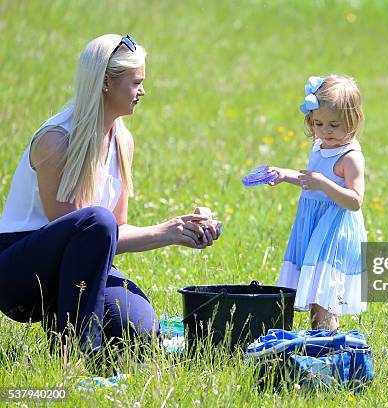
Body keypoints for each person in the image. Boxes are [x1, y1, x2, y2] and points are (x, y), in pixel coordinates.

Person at [0, 34, 219, 354]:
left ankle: (83, 337)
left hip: (84, 266)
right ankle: (76, 350)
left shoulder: (122, 140)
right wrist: (163, 232)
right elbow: (80, 233)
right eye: (136, 82)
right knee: (95, 220)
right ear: (106, 83)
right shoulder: (56, 139)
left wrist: (178, 231)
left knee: (141, 331)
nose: (143, 91)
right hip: (20, 274)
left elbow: (115, 229)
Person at [268, 74, 367, 330]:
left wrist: (324, 183)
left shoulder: (350, 157)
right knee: (314, 293)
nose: (325, 131)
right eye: (318, 123)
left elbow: (355, 201)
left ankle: (329, 349)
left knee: (326, 295)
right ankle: (319, 343)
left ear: (353, 119)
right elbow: (310, 180)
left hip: (334, 230)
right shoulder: (320, 145)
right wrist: (284, 174)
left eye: (334, 124)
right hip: (313, 227)